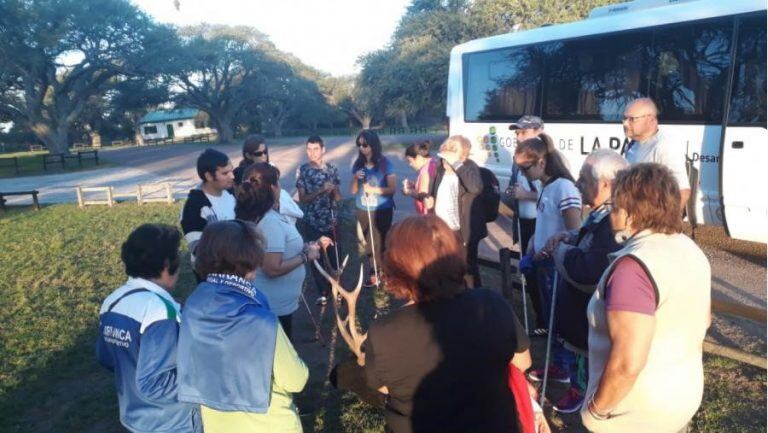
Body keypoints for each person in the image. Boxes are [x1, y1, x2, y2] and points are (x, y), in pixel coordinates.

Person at [361, 215, 546, 433]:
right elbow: (522, 362)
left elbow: (381, 385)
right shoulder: (491, 304)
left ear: (396, 266)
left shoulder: (384, 333)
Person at [581, 163, 711, 433]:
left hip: (636, 412)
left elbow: (627, 363)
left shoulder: (633, 268)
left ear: (630, 214)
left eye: (614, 206)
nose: (610, 213)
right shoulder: (689, 249)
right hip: (681, 396)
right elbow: (705, 319)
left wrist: (596, 410)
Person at [177, 220, 309, 433]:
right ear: (247, 260)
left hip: (216, 423)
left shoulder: (192, 307)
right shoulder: (262, 323)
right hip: (269, 424)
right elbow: (296, 380)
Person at [536, 149, 629, 414]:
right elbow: (589, 240)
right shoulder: (603, 213)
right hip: (584, 315)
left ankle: (590, 400)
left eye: (583, 179)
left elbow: (588, 271)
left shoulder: (613, 222)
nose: (578, 184)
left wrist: (561, 251)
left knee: (590, 363)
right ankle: (582, 391)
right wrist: (571, 236)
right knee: (583, 359)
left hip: (594, 316)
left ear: (605, 184)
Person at [96, 224, 200, 433]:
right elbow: (155, 383)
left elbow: (105, 356)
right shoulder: (160, 311)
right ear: (166, 264)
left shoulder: (113, 300)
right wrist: (205, 379)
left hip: (134, 416)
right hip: (173, 422)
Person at [513, 134, 582, 387]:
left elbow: (574, 230)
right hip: (543, 263)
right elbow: (545, 223)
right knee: (549, 317)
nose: (522, 173)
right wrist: (533, 245)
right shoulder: (546, 187)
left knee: (559, 319)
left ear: (541, 162)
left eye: (525, 167)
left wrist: (552, 248)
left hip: (556, 267)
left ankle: (566, 369)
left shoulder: (563, 187)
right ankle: (557, 364)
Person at [235, 162, 328, 339]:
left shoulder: (264, 215)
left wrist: (306, 246)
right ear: (273, 187)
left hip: (276, 305)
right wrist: (305, 256)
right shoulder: (269, 221)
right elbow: (272, 268)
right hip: (274, 308)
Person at [505, 115, 546, 334]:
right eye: (517, 132)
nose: (518, 136)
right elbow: (515, 187)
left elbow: (551, 193)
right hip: (523, 220)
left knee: (542, 273)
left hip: (540, 222)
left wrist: (526, 194)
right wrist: (512, 193)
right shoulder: (516, 158)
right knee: (529, 271)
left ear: (538, 131)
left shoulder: (547, 158)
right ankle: (540, 318)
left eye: (523, 132)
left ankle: (547, 320)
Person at [427, 135, 486, 288]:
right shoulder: (440, 170)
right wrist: (430, 200)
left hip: (463, 230)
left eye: (449, 157)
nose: (444, 161)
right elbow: (433, 192)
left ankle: (474, 301)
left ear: (462, 157)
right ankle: (452, 297)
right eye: (443, 157)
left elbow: (475, 188)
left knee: (467, 268)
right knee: (446, 266)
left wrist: (456, 164)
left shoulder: (469, 168)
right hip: (442, 228)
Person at [296, 135, 342, 305]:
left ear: (323, 150)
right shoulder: (302, 170)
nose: (312, 153)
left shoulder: (332, 169)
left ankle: (337, 289)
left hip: (331, 220)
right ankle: (323, 292)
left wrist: (333, 191)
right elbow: (302, 199)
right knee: (316, 257)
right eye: (309, 149)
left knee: (335, 256)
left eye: (316, 149)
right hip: (312, 221)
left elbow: (338, 198)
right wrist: (321, 190)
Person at [622, 98, 691, 209]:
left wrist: (666, 224)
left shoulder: (663, 146)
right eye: (624, 118)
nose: (625, 123)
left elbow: (682, 192)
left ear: (650, 119)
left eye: (631, 119)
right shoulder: (631, 146)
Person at [350, 129, 396, 287]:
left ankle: (385, 271)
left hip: (382, 208)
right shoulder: (358, 164)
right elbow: (353, 191)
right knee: (369, 242)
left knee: (381, 241)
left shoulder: (385, 164)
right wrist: (355, 178)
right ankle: (374, 271)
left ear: (373, 145)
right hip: (363, 208)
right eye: (359, 145)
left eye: (365, 144)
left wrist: (374, 190)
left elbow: (392, 189)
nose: (362, 148)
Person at [180, 148, 235, 269]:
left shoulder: (232, 193)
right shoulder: (194, 206)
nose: (232, 176)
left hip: (239, 267)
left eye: (231, 171)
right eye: (225, 173)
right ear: (209, 176)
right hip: (212, 273)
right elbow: (197, 248)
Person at [233, 134, 305, 225]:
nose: (263, 156)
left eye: (265, 152)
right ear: (248, 155)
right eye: (258, 154)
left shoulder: (271, 168)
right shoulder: (240, 173)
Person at [402, 140, 438, 215]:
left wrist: (408, 191)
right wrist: (414, 185)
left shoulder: (425, 171)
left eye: (410, 161)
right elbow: (430, 187)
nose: (410, 165)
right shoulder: (434, 162)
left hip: (427, 214)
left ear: (418, 157)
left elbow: (423, 196)